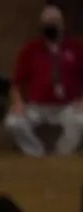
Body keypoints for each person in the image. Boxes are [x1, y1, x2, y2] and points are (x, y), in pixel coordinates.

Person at [5, 3, 83, 157]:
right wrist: (18, 102)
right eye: (48, 22)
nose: (52, 25)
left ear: (62, 24)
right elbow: (16, 83)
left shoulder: (76, 49)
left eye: (55, 21)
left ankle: (61, 154)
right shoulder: (30, 50)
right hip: (36, 108)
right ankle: (37, 153)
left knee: (81, 121)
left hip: (68, 107)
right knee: (13, 123)